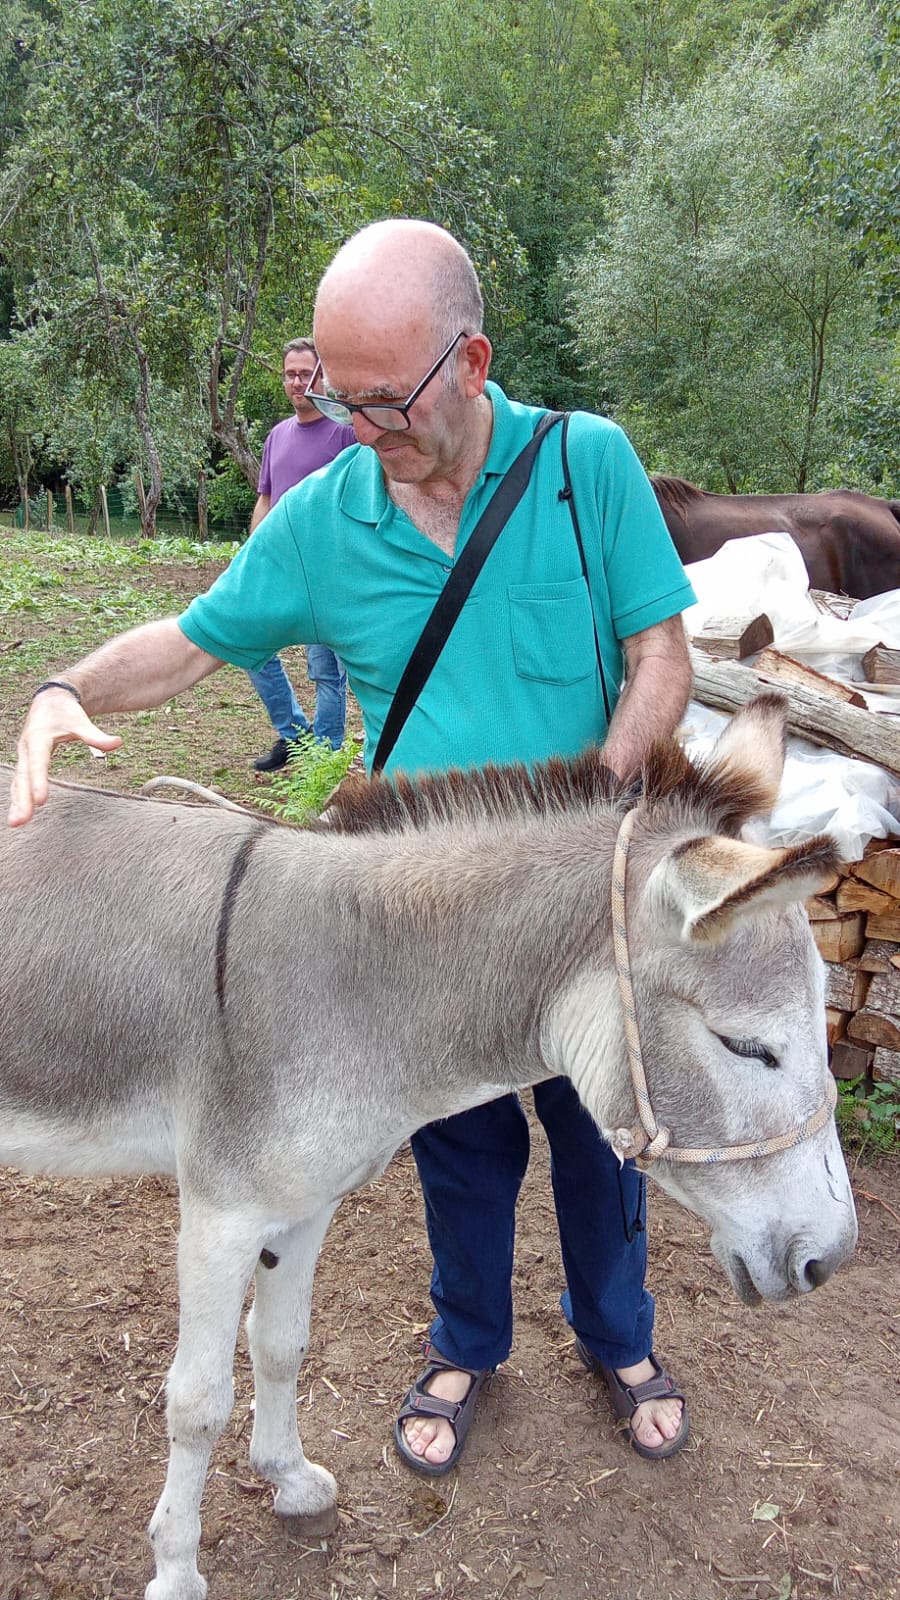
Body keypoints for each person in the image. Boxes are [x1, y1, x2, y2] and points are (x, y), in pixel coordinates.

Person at [10, 219, 695, 1477]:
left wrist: (606, 803)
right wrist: (66, 684)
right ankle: (465, 1341)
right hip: (422, 921)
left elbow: (663, 654)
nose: (357, 427)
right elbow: (194, 639)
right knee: (458, 1145)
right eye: (337, 395)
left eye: (382, 401)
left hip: (578, 902)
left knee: (606, 1140)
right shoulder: (325, 519)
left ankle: (620, 1335)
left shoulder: (585, 467)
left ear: (472, 361)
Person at [247, 338, 355, 771]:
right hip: (280, 571)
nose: (297, 382)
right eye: (290, 373)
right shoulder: (277, 436)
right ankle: (293, 735)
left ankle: (325, 757)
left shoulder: (347, 433)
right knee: (253, 649)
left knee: (327, 670)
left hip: (329, 575)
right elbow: (265, 499)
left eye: (306, 373)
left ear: (322, 377)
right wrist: (254, 554)